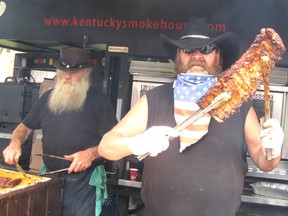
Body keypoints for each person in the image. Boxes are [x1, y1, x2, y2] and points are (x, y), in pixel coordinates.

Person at [98, 17, 284, 216]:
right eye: (188, 49)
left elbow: (264, 162)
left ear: (218, 55)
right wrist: (136, 143)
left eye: (206, 49)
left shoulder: (240, 106)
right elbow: (106, 147)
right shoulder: (154, 100)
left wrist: (273, 150)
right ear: (178, 55)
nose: (197, 55)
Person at [3, 47, 118, 216]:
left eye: (74, 71)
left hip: (83, 183)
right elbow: (24, 127)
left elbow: (115, 142)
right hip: (49, 177)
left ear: (86, 71)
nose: (67, 75)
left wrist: (91, 154)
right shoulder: (48, 98)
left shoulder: (99, 102)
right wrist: (14, 143)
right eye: (63, 70)